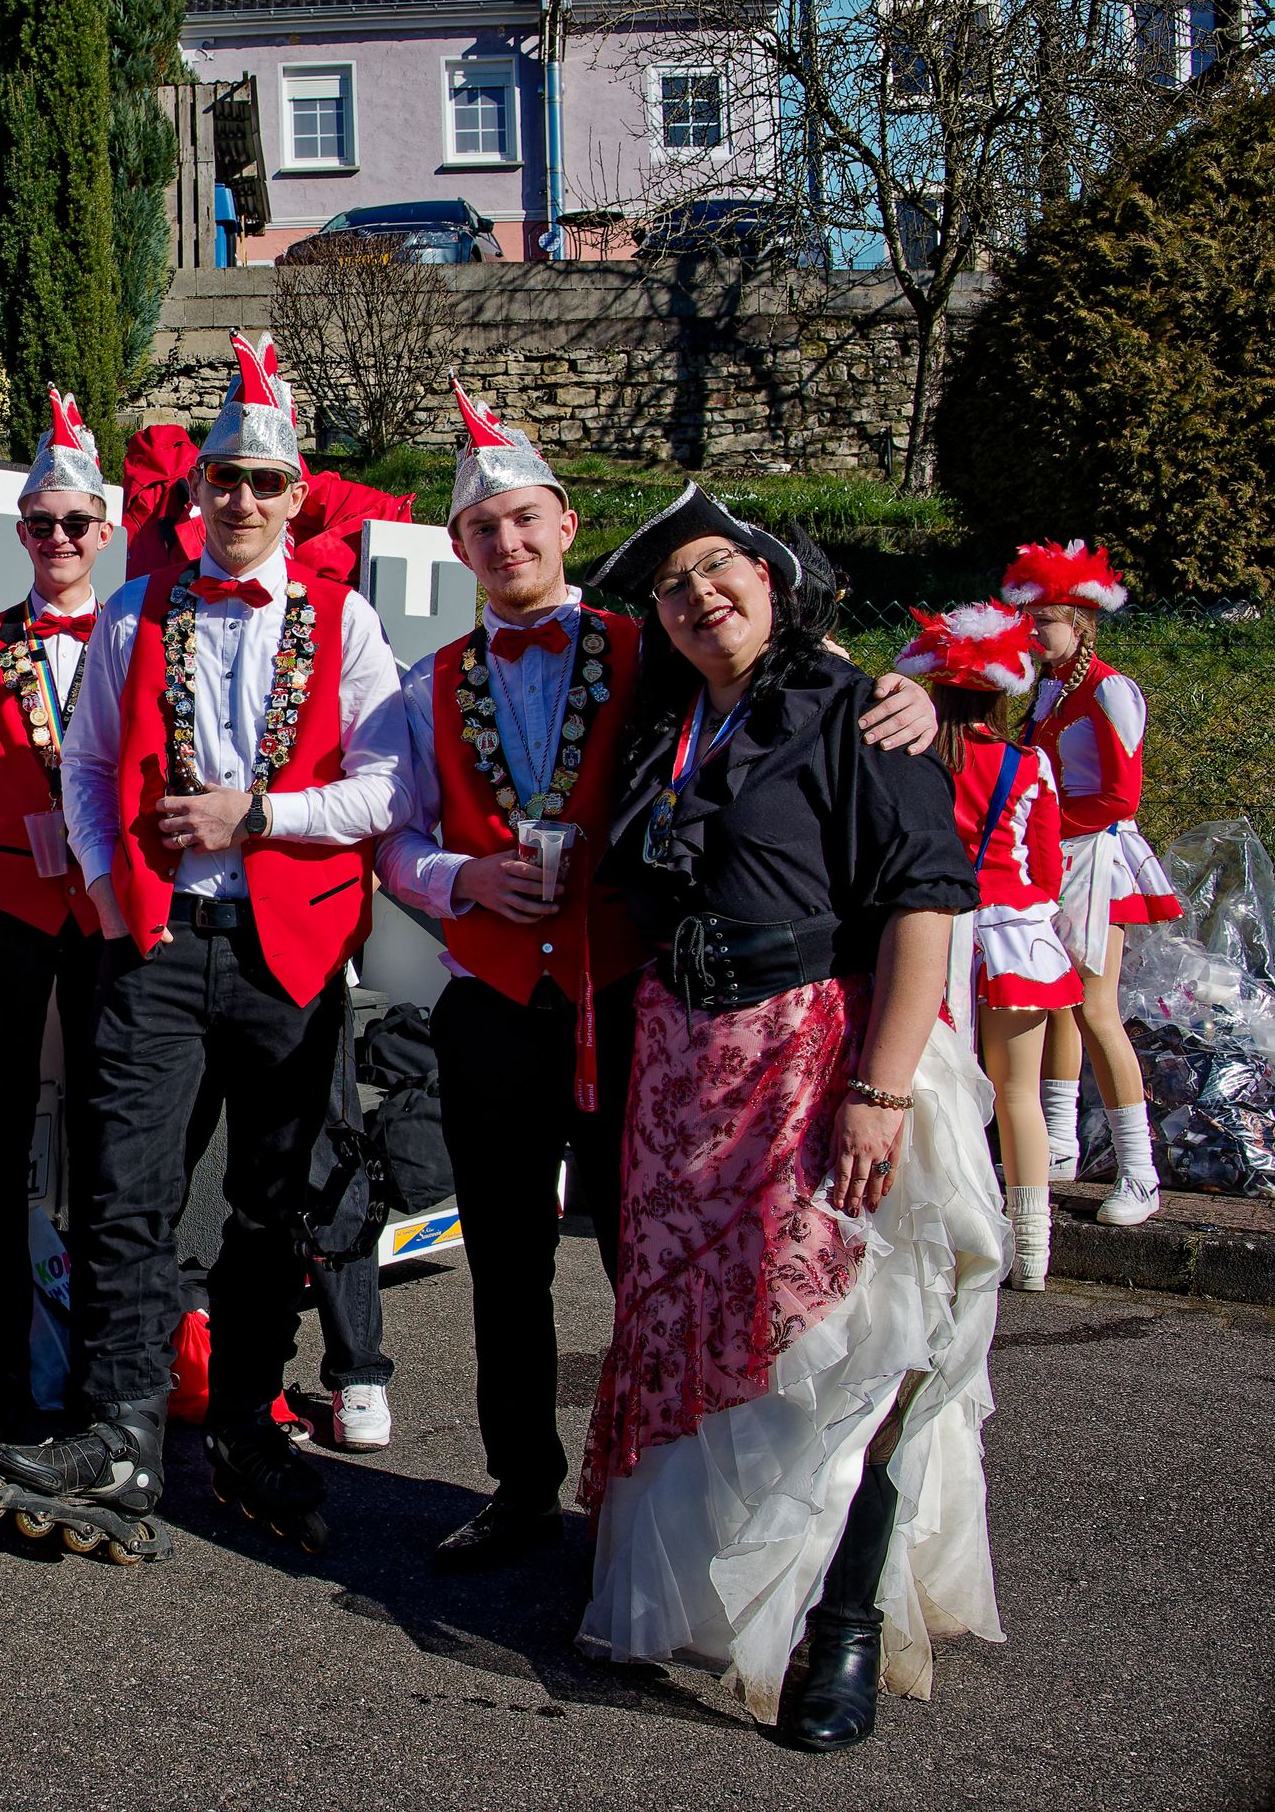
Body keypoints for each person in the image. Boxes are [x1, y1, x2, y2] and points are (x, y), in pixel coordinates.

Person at [378, 390, 941, 1575]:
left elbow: (785, 682)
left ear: (566, 525)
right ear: (460, 549)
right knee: (505, 1260)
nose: (507, 543)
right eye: (483, 529)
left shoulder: (655, 648)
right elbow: (391, 836)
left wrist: (909, 690)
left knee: (657, 1258)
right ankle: (521, 1483)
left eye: (524, 520)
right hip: (494, 1005)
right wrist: (459, 876)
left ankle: (657, 1500)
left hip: (639, 1004)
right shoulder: (426, 683)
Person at [578, 483, 1001, 1748]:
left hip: (820, 1056)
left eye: (721, 567)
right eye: (673, 586)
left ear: (773, 575)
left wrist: (881, 1089)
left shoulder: (858, 708)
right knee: (708, 1336)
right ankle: (726, 1591)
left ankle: (843, 1622)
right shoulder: (667, 725)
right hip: (683, 1066)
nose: (700, 594)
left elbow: (925, 901)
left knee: (850, 1339)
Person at [0, 333, 404, 1562]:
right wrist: (107, 892)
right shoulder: (136, 610)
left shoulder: (344, 620)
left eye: (264, 482)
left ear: (296, 496)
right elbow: (84, 762)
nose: (241, 500)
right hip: (158, 942)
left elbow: (387, 787)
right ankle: (121, 1424)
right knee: (127, 1186)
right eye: (224, 478)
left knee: (272, 1201)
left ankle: (242, 1423)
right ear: (199, 489)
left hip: (288, 946)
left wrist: (259, 815)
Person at [0, 391, 113, 1450]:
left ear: (105, 531)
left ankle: (99, 1370)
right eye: (40, 523)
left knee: (105, 1136)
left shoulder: (135, 634)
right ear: (21, 533)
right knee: (0, 1139)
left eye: (75, 523)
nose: (57, 539)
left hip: (106, 917)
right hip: (6, 912)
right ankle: (8, 1363)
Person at [897, 601, 1082, 1292]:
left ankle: (947, 1240)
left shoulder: (909, 758)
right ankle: (1031, 1252)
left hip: (930, 935)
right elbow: (1047, 865)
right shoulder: (1026, 763)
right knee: (1017, 1094)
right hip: (1012, 940)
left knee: (935, 1093)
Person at [1008, 542, 1180, 1228]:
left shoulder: (1110, 689)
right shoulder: (1047, 689)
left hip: (1096, 858)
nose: (1032, 635)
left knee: (1095, 1008)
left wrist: (1042, 825)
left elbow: (1119, 796)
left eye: (1043, 623)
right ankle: (1058, 1143)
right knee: (1056, 999)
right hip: (1052, 855)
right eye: (1027, 622)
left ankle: (1140, 1172)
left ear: (1079, 624)